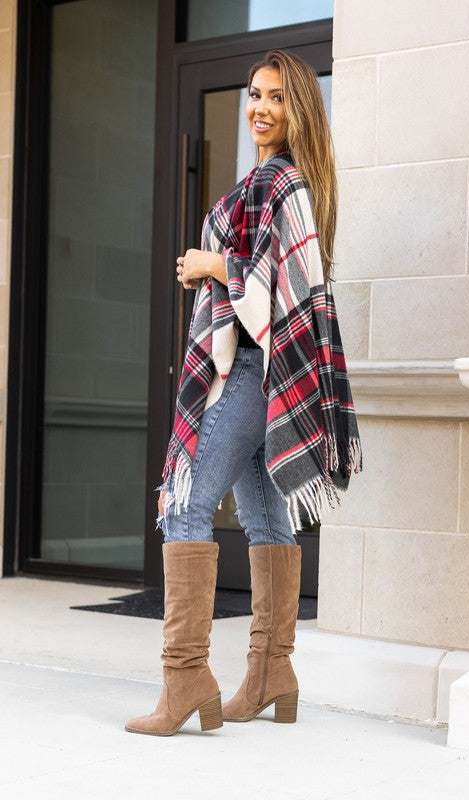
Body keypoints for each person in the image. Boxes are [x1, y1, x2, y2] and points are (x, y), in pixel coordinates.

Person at [124, 49, 363, 737]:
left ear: (299, 111)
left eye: (277, 97)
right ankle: (269, 674)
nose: (260, 106)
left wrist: (210, 264)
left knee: (187, 507)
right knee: (263, 516)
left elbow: (275, 288)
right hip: (266, 377)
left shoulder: (282, 182)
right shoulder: (267, 180)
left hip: (255, 373)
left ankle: (186, 677)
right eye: (254, 94)